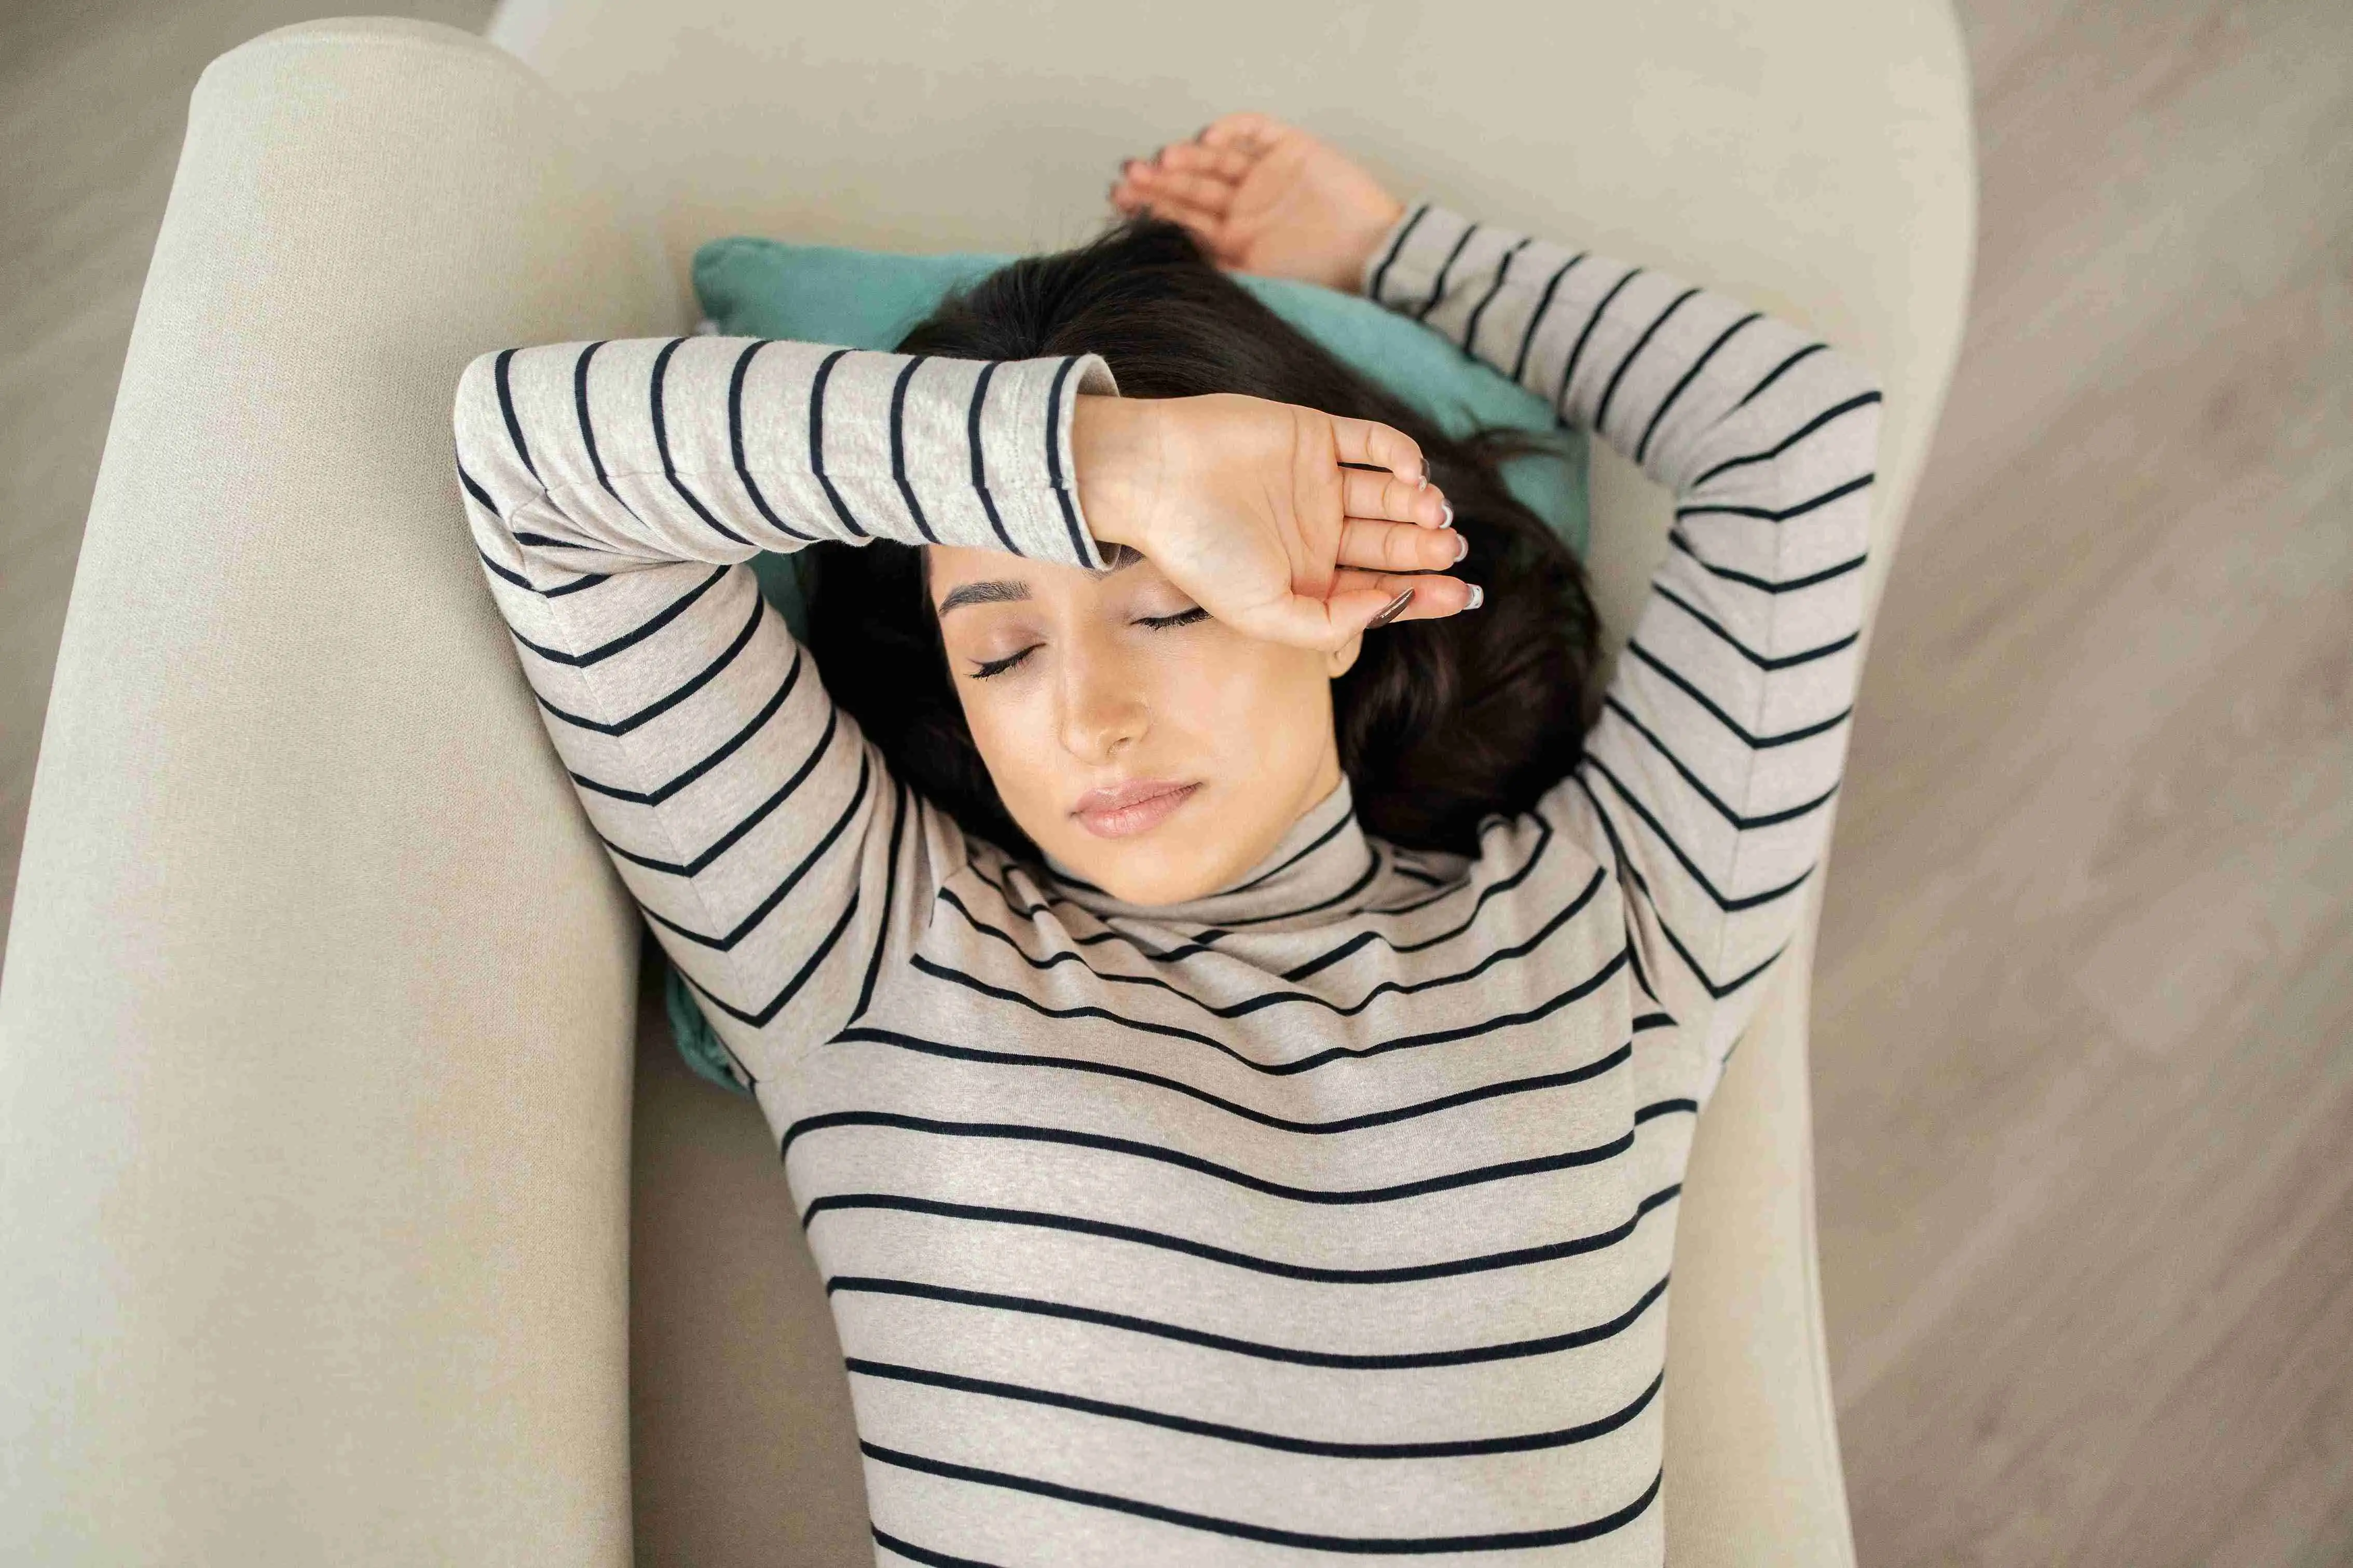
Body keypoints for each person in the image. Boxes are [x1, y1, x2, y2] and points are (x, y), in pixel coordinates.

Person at [454, 112, 1878, 1566]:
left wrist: (1388, 256)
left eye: (1164, 605)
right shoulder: (871, 947)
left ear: (1342, 579)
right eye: (1000, 652)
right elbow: (533, 465)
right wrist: (1115, 472)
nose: (1092, 717)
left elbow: (1796, 442)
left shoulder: (1610, 928)